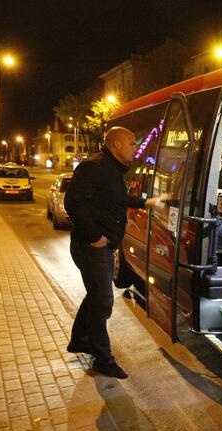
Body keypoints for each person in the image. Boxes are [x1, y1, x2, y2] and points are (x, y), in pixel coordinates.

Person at [64, 126, 167, 379]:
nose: (136, 148)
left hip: (102, 247)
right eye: (132, 144)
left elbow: (115, 200)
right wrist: (94, 236)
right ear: (116, 145)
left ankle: (81, 341)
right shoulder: (95, 167)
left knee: (96, 297)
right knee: (103, 301)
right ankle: (103, 359)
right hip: (92, 248)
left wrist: (145, 203)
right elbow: (73, 202)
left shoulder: (111, 170)